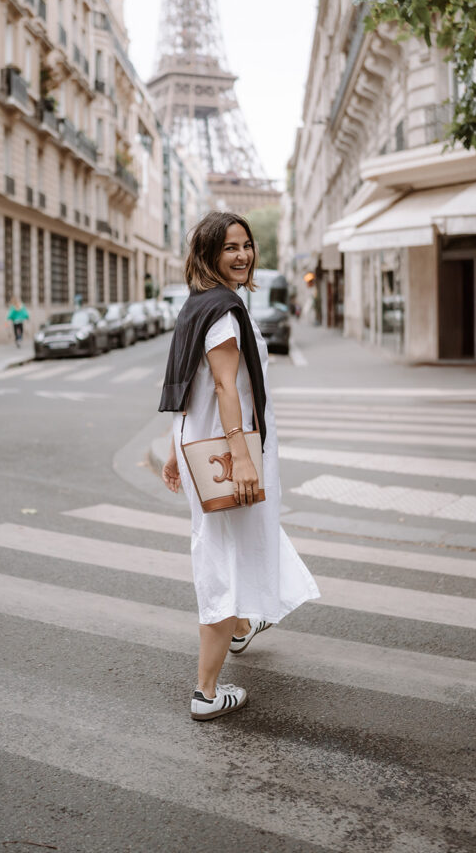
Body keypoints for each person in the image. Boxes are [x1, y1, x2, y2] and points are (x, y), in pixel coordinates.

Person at [159, 211, 320, 722]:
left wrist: (172, 447)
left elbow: (190, 388)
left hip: (201, 445)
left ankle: (242, 625)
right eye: (230, 247)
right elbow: (225, 387)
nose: (242, 255)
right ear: (208, 253)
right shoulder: (224, 312)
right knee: (221, 561)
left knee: (235, 541)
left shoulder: (199, 305)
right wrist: (244, 459)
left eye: (246, 245)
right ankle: (206, 692)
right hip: (227, 452)